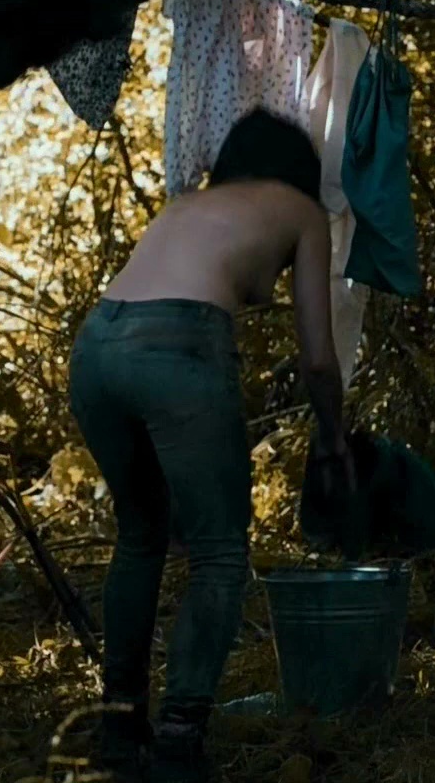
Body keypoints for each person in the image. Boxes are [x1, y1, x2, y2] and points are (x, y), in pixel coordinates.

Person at [67, 108, 355, 782]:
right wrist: (332, 435)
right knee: (220, 553)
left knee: (141, 536)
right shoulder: (303, 213)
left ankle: (119, 730)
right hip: (179, 347)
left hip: (96, 347)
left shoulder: (188, 205)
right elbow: (318, 358)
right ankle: (178, 740)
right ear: (299, 168)